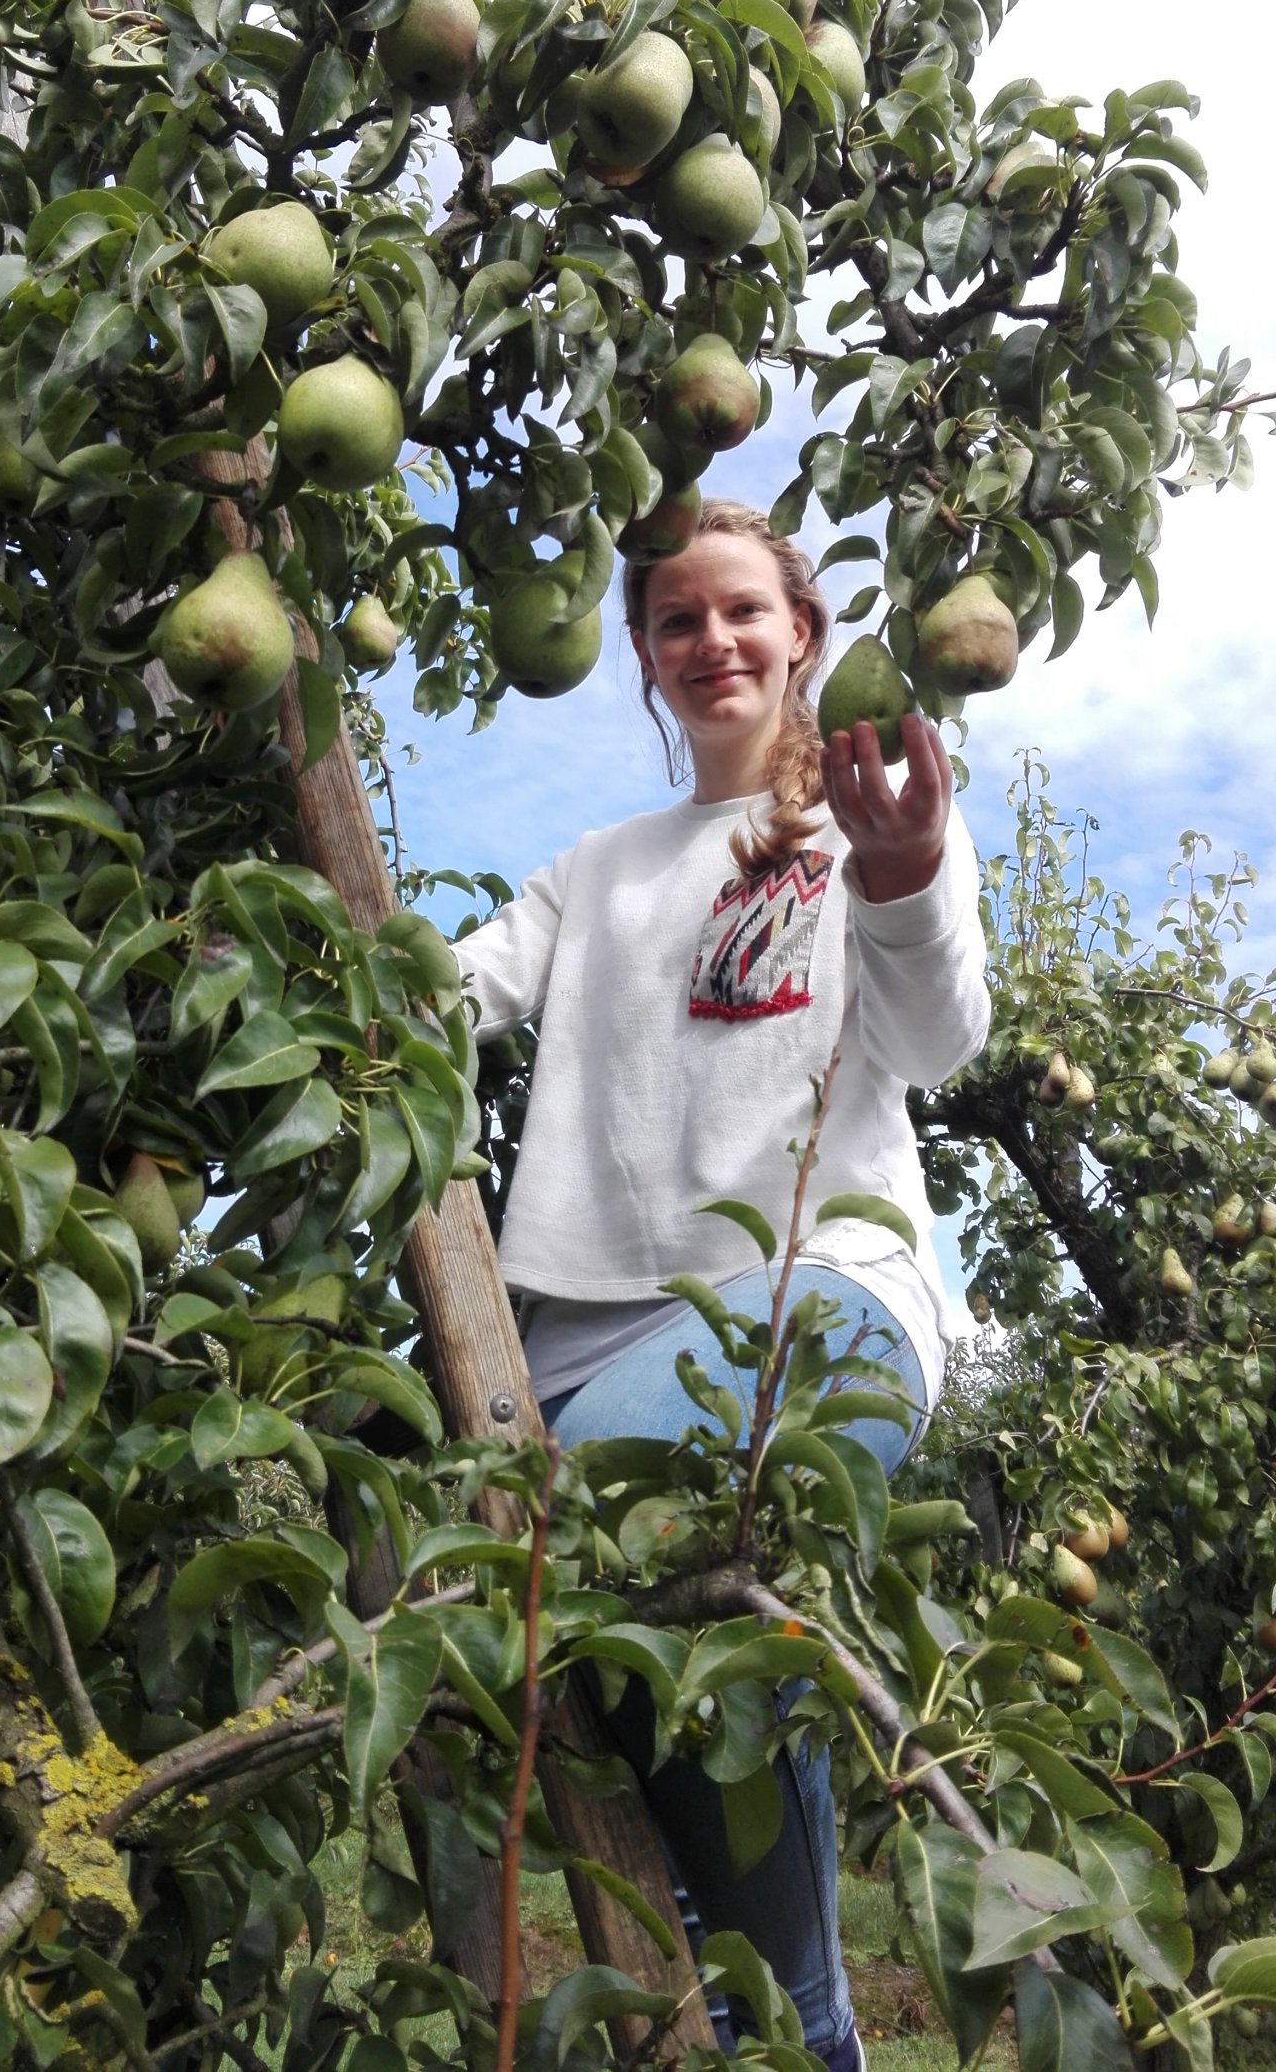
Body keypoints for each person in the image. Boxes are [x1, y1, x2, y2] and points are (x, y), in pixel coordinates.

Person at [456, 498, 991, 2072]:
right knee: (703, 1819)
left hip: (821, 1300)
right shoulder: (597, 871)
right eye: (677, 620)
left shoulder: (865, 821)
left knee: (591, 1567)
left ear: (804, 633)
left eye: (743, 612)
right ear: (641, 653)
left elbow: (945, 1033)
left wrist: (899, 877)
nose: (713, 642)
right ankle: (804, 2037)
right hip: (574, 1351)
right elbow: (450, 992)